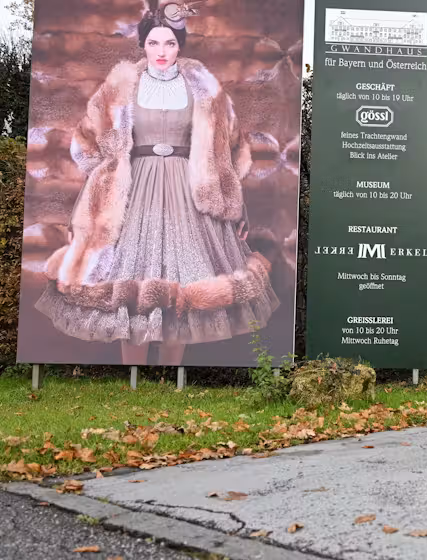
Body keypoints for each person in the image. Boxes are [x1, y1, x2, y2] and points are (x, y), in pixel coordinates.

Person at [35, 0, 278, 366]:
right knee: (132, 277)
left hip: (189, 192)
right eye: (153, 43)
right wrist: (86, 212)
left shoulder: (206, 90)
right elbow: (90, 149)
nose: (161, 51)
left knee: (182, 282)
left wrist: (235, 202)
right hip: (134, 191)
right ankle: (135, 376)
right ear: (143, 45)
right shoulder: (118, 89)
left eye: (170, 43)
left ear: (180, 46)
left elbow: (228, 152)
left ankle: (169, 376)